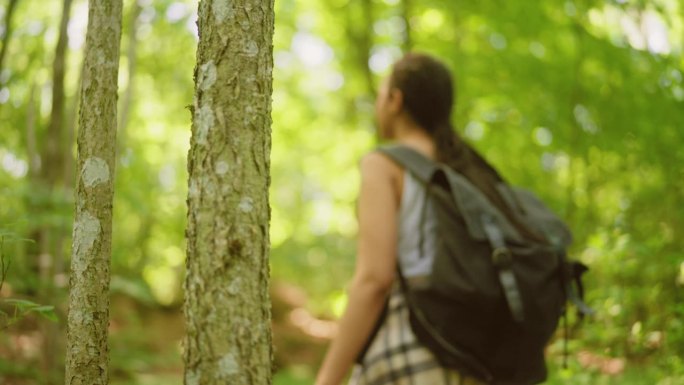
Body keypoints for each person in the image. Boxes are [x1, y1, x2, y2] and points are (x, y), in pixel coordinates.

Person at [313, 53, 511, 385]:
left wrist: (328, 379)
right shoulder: (468, 170)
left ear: (395, 100)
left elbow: (374, 280)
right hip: (473, 360)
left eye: (381, 92)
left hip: (414, 351)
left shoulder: (384, 164)